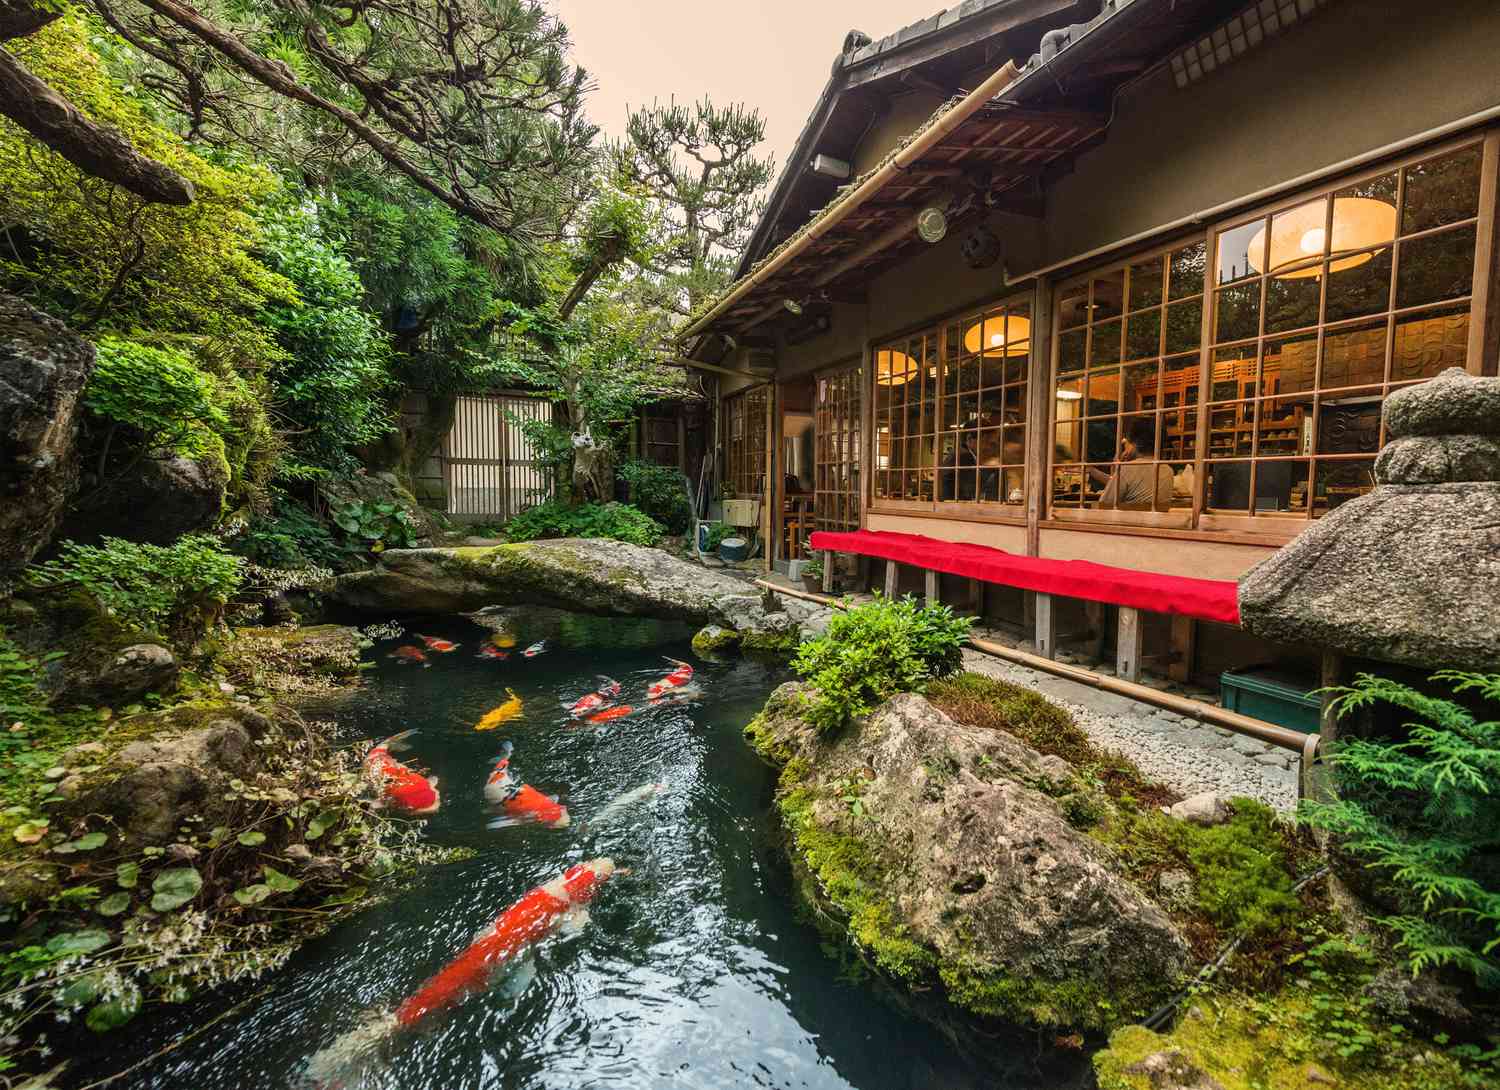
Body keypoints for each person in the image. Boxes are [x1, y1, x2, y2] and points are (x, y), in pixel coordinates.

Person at [1090, 417, 1173, 511]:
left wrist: (1118, 468)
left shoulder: (1127, 468)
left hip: (1128, 523)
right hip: (1156, 524)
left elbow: (1103, 505)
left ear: (1135, 443)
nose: (1124, 446)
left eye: (1126, 441)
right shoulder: (1168, 470)